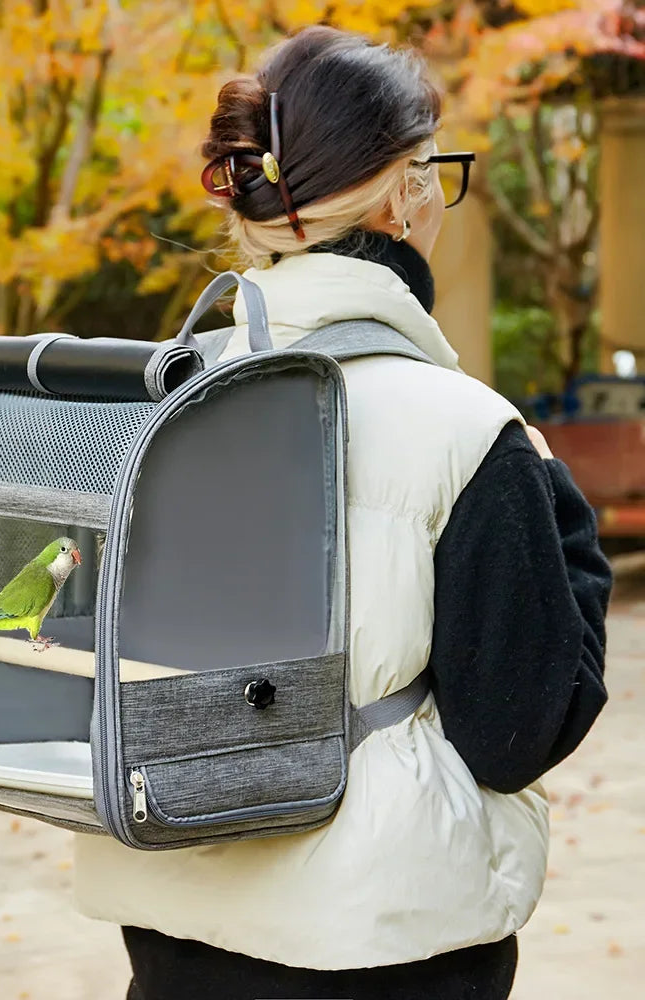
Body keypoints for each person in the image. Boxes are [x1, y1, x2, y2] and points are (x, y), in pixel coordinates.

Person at [71, 25, 612, 1000]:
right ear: (404, 195)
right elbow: (517, 732)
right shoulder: (463, 428)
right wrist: (561, 524)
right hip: (386, 942)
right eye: (433, 173)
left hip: (175, 917)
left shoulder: (162, 405)